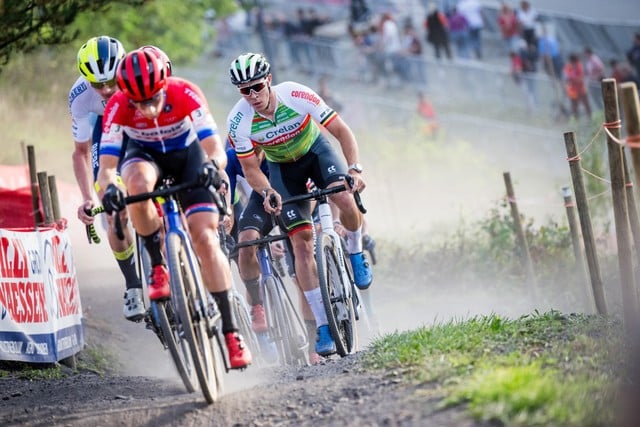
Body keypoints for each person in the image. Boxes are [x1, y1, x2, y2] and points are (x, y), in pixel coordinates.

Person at [96, 48, 252, 369]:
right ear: (127, 95)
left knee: (206, 240)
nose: (148, 108)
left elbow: (214, 149)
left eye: (153, 98)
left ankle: (231, 332)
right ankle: (157, 266)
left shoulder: (186, 92)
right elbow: (108, 166)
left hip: (188, 157)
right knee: (135, 185)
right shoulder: (117, 105)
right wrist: (110, 186)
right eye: (139, 103)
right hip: (145, 157)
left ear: (164, 84)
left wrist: (213, 166)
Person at [226, 52, 373, 357]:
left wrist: (355, 168)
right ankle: (322, 325)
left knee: (344, 198)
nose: (252, 95)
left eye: (256, 86)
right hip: (282, 171)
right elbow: (251, 169)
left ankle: (356, 252)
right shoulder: (239, 120)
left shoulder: (295, 93)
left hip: (316, 154)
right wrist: (267, 192)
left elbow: (341, 131)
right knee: (302, 245)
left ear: (268, 80)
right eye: (244, 90)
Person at [70, 36, 147, 322]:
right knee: (114, 209)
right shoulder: (80, 95)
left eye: (110, 82)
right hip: (107, 134)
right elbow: (81, 151)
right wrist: (88, 197)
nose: (104, 90)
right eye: (96, 84)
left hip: (140, 129)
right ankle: (133, 286)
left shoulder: (140, 74)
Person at [225, 145, 323, 365]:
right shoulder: (231, 158)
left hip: (292, 200)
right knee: (246, 243)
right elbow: (230, 204)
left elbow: (308, 194)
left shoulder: (277, 145)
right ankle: (257, 309)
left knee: (301, 277)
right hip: (258, 205)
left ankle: (314, 343)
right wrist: (226, 223)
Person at [563, 53, 591, 120]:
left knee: (586, 104)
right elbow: (566, 77)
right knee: (574, 106)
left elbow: (580, 78)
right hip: (573, 90)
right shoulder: (569, 67)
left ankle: (590, 118)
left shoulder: (579, 65)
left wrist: (573, 79)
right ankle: (576, 120)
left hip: (581, 89)